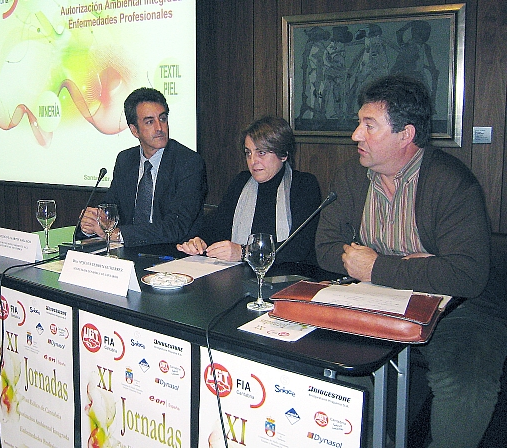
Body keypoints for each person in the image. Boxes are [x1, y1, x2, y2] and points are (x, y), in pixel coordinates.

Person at [315, 74, 507, 447]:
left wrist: (376, 266)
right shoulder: (351, 177)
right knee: (329, 362)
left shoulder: (453, 183)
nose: (356, 135)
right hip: (371, 297)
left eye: (368, 125)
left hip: (460, 307)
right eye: (359, 123)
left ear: (406, 135)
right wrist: (418, 266)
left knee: (464, 381)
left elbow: (466, 274)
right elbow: (325, 248)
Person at [177, 116, 322, 264]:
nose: (253, 161)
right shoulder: (241, 182)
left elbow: (297, 248)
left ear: (283, 154)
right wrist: (199, 241)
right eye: (248, 153)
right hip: (240, 276)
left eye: (261, 153)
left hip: (290, 275)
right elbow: (217, 227)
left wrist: (245, 252)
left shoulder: (304, 185)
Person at [79, 87, 207, 246]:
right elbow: (111, 209)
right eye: (149, 122)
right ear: (134, 130)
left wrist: (117, 234)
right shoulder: (125, 160)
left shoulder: (188, 162)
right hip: (128, 252)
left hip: (174, 254)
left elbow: (175, 227)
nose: (159, 128)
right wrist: (93, 222)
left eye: (163, 118)